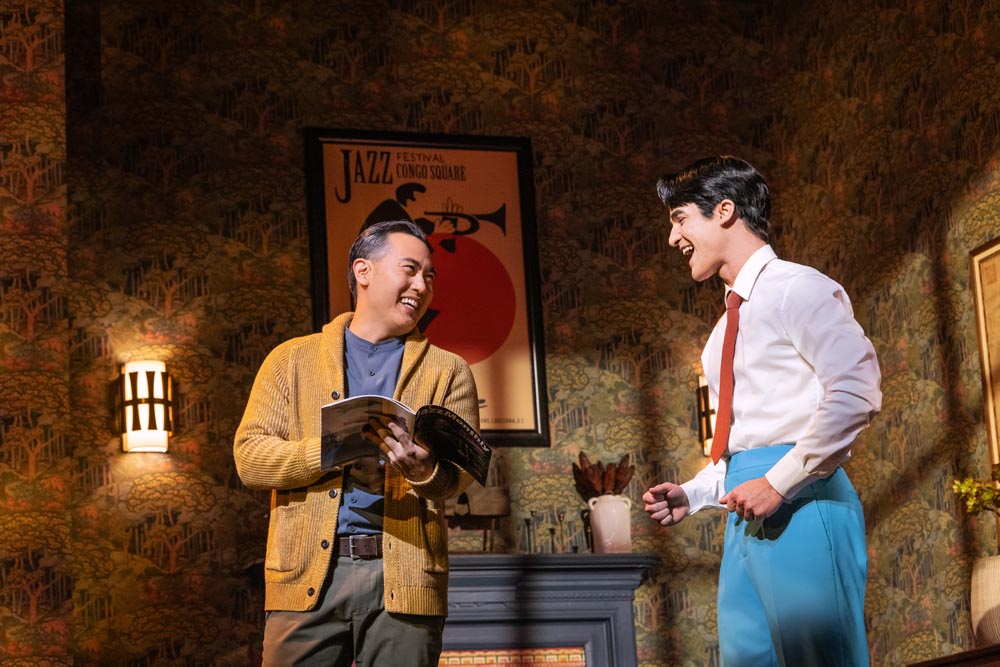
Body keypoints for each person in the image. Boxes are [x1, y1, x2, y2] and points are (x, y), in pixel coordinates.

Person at [642, 156, 881, 667]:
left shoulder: (799, 288)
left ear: (724, 210)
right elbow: (738, 441)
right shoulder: (717, 337)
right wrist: (695, 493)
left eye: (680, 218)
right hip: (745, 514)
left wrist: (778, 483)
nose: (672, 239)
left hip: (805, 499)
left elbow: (856, 390)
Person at [234, 219, 479, 667]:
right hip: (305, 579)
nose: (421, 285)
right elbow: (250, 459)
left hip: (405, 581)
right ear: (363, 271)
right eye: (409, 269)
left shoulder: (450, 371)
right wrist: (332, 449)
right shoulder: (291, 359)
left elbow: (458, 478)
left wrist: (422, 469)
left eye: (429, 276)